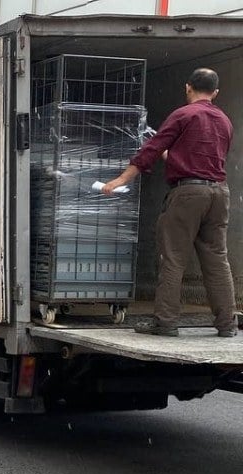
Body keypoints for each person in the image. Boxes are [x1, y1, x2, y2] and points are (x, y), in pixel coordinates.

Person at [102, 67, 237, 338]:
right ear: (216, 93)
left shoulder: (183, 114)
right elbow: (206, 157)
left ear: (188, 87)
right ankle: (227, 325)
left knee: (174, 258)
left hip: (187, 195)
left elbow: (149, 151)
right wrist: (175, 157)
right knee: (217, 260)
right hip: (219, 194)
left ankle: (166, 322)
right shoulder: (224, 121)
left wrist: (120, 180)